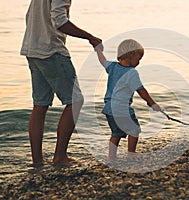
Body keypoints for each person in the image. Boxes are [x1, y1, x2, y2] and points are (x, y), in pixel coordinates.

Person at [20, 0, 103, 166]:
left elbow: (30, 16)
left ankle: (38, 161)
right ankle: (60, 157)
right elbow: (60, 22)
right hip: (51, 50)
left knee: (40, 105)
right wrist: (90, 37)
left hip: (33, 49)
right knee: (76, 101)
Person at [94, 39, 163, 160]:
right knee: (134, 129)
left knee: (116, 133)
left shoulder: (112, 67)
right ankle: (131, 152)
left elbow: (102, 61)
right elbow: (141, 90)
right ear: (131, 55)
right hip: (122, 108)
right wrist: (152, 104)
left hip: (109, 108)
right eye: (139, 58)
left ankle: (112, 156)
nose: (139, 62)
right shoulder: (132, 72)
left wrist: (98, 50)